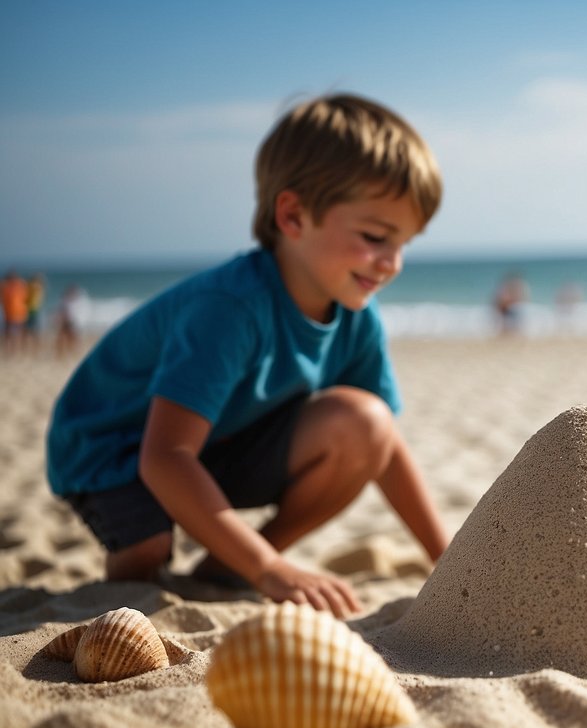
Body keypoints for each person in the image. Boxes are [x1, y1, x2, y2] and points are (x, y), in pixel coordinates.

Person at [46, 93, 450, 617]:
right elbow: (164, 457)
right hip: (112, 449)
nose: (391, 263)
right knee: (146, 552)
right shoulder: (230, 308)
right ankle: (222, 566)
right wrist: (272, 571)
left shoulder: (356, 316)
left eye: (404, 244)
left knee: (366, 425)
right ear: (293, 215)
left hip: (216, 443)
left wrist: (447, 557)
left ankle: (228, 566)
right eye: (375, 237)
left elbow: (387, 449)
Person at [54, 283, 86, 358]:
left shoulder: (73, 301)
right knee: (63, 339)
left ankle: (73, 352)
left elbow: (74, 313)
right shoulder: (66, 301)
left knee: (72, 339)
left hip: (71, 322)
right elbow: (61, 312)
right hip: (66, 322)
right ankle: (62, 354)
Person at [2, 271, 29, 355]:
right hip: (10, 314)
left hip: (18, 314)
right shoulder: (6, 287)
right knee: (9, 334)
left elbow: (26, 297)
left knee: (17, 334)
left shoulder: (18, 286)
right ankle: (10, 350)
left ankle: (16, 350)